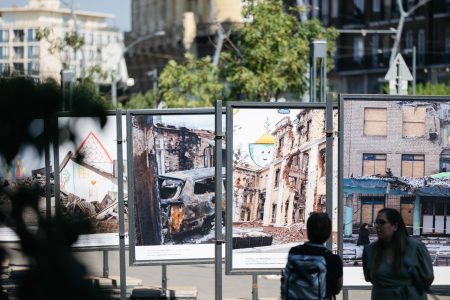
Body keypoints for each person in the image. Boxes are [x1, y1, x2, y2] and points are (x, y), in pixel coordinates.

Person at [362, 208, 434, 300]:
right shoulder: (370, 250)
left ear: (395, 226)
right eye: (376, 222)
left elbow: (428, 278)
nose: (377, 226)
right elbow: (369, 278)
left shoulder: (416, 247)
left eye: (382, 222)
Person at [281, 212, 343, 299]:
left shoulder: (294, 252)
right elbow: (337, 289)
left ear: (308, 231)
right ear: (328, 233)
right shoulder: (333, 259)